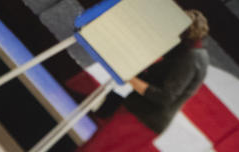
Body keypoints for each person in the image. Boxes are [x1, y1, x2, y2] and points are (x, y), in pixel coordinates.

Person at [80, 9, 210, 151]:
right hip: (141, 115)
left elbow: (165, 97)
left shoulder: (190, 58)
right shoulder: (192, 54)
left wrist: (129, 76)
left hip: (143, 117)